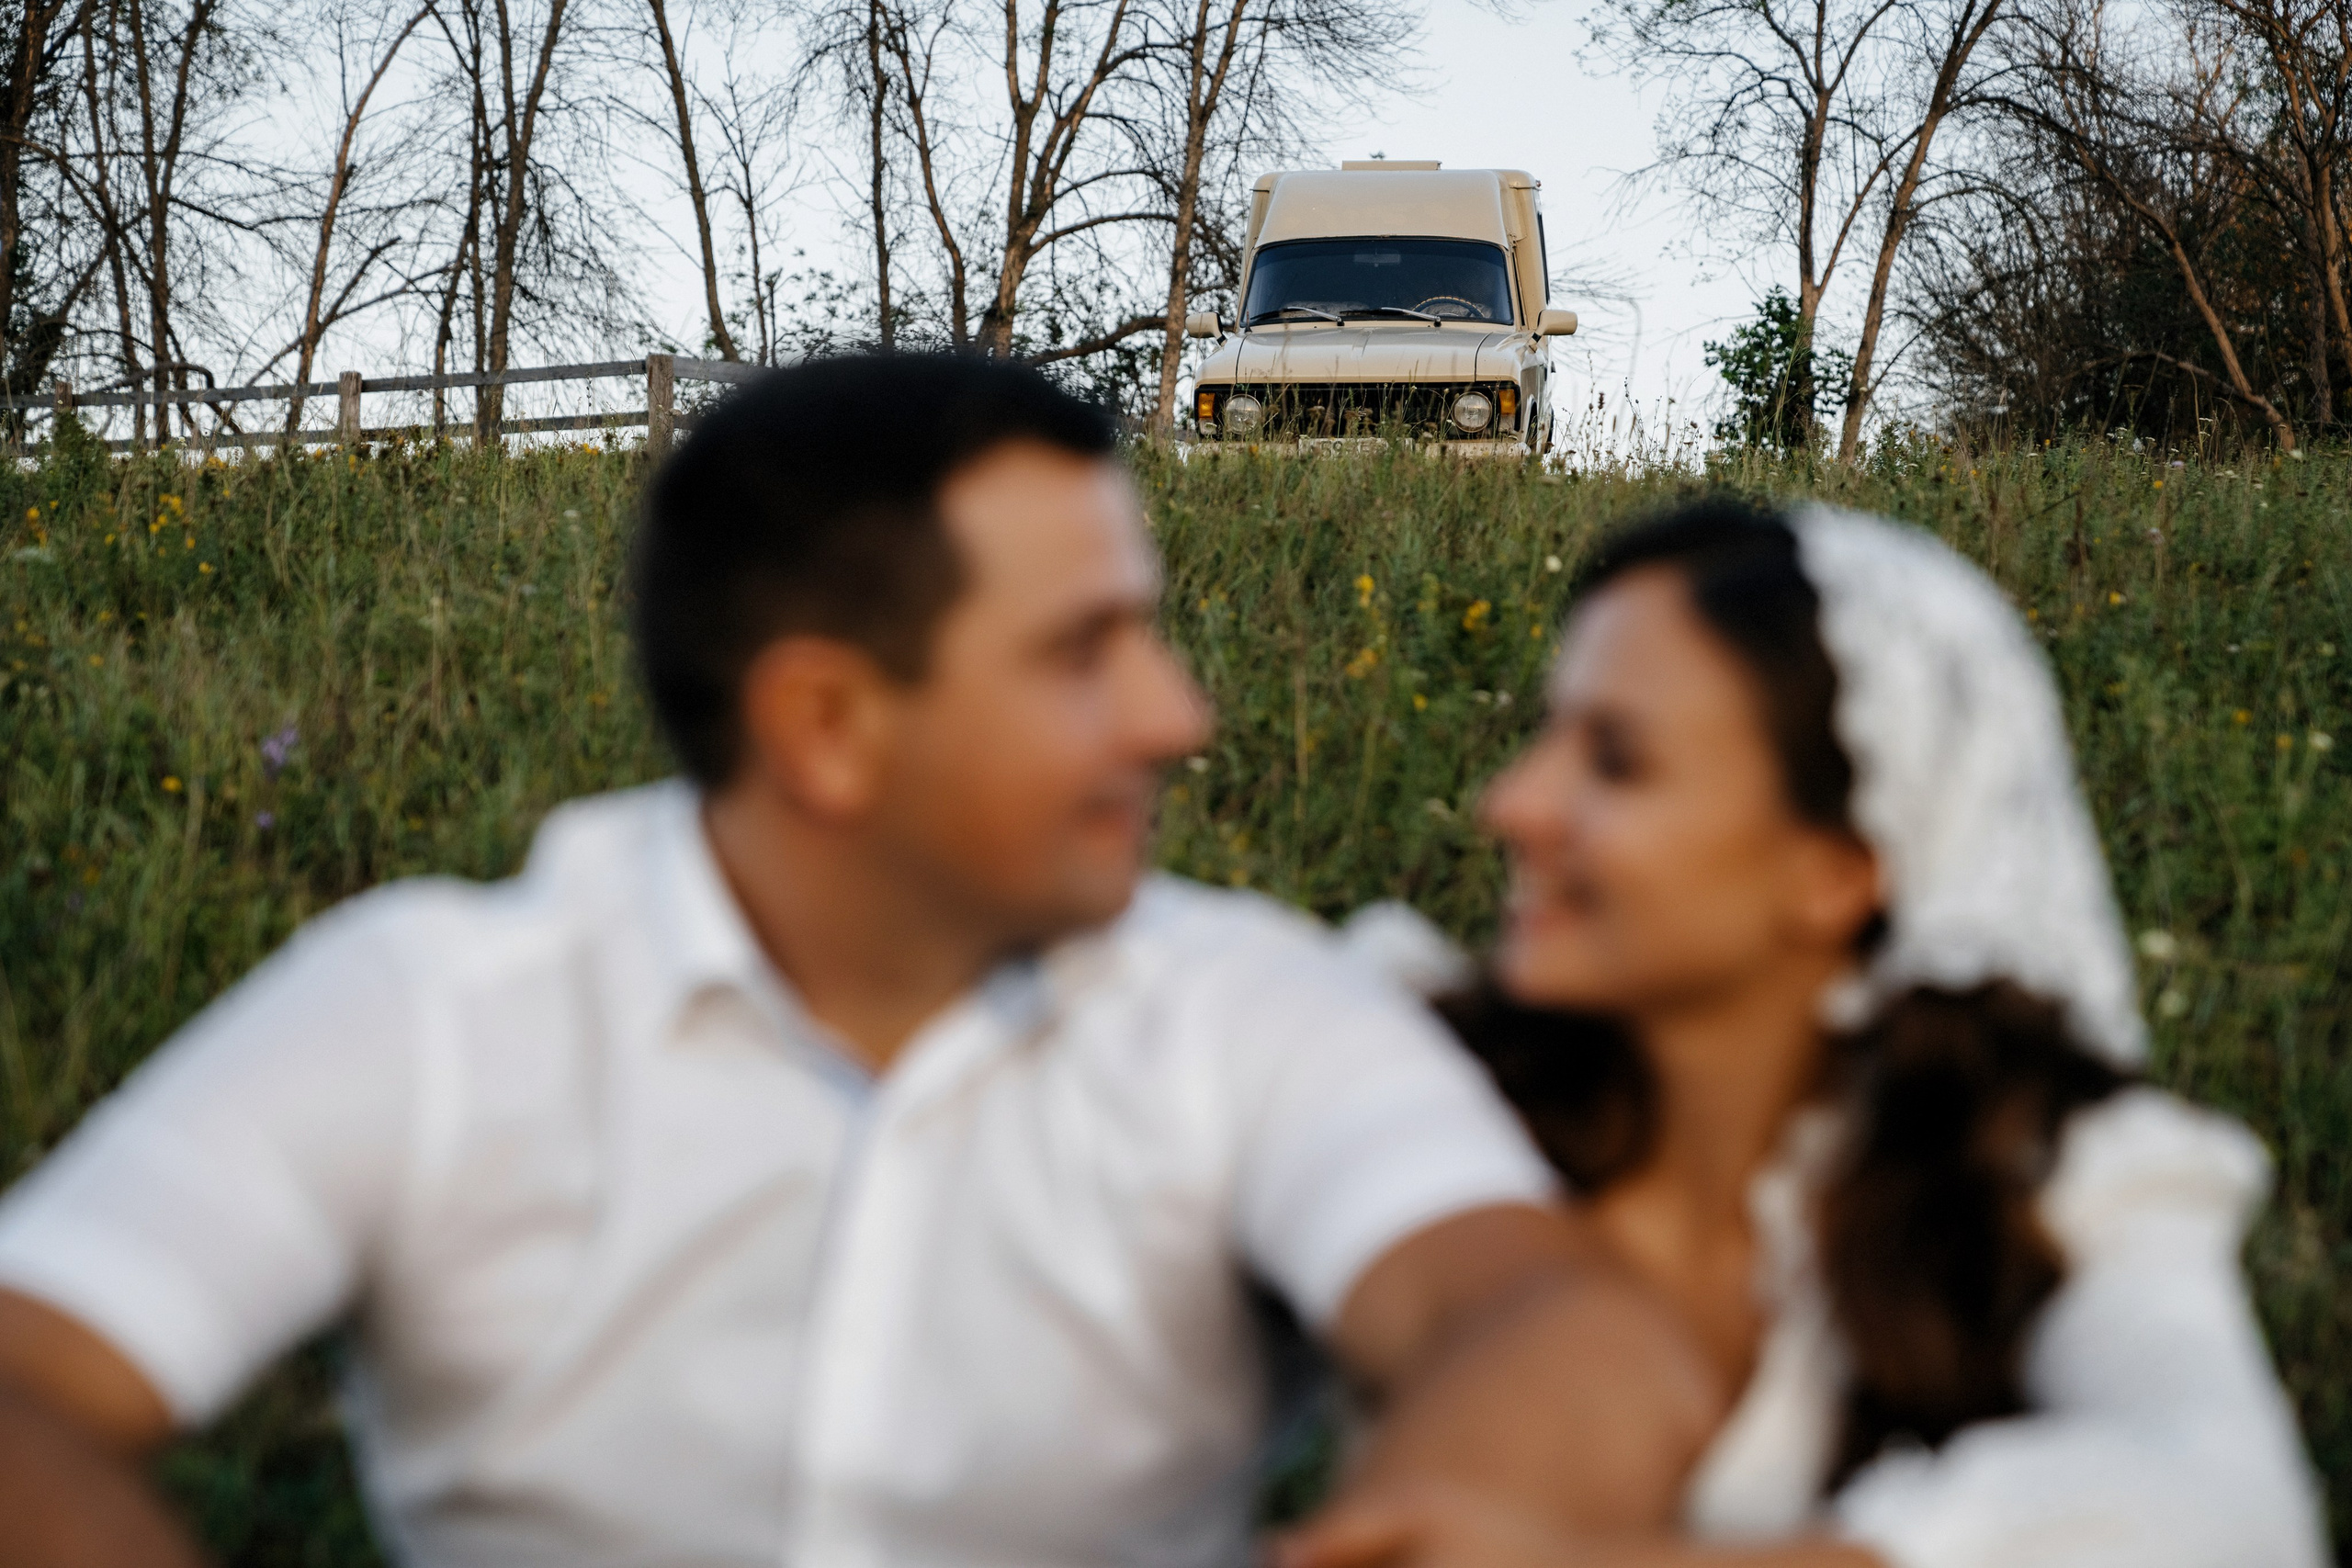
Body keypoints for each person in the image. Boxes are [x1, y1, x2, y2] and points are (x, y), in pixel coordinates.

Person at [0, 355, 1715, 1568]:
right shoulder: (436, 1011)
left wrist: (1424, 1525)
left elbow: (1549, 1324)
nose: (1178, 714)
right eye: (1082, 651)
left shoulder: (1237, 1004)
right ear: (825, 728)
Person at [1283, 500, 2327, 1568]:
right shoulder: (1411, 1060)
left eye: (1615, 761)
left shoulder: (2058, 1168)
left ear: (1836, 871)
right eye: (1545, 735)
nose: (1512, 803)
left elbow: (2231, 1513)